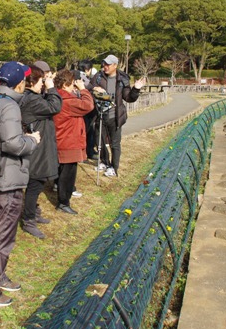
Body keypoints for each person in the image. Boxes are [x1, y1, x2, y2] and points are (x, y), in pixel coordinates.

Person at [0, 61, 41, 307]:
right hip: (6, 179)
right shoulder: (9, 106)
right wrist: (32, 140)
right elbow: (12, 143)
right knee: (0, 236)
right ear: (19, 83)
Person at [19, 65, 62, 238]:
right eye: (41, 81)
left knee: (37, 183)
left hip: (38, 147)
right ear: (32, 82)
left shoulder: (32, 97)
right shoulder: (32, 100)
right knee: (34, 184)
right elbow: (55, 106)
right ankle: (29, 220)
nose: (43, 84)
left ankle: (33, 213)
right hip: (36, 150)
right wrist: (51, 88)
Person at [91, 54, 145, 178]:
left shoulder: (122, 79)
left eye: (108, 64)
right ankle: (104, 161)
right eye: (104, 64)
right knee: (99, 141)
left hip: (115, 117)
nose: (105, 66)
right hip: (99, 114)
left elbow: (128, 97)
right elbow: (89, 88)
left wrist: (136, 89)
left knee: (115, 144)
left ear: (115, 65)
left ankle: (114, 168)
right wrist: (95, 89)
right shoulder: (98, 76)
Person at [53, 69, 94, 215]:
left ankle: (61, 195)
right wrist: (83, 90)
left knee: (62, 171)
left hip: (61, 140)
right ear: (65, 84)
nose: (73, 86)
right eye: (72, 84)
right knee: (68, 174)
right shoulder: (68, 101)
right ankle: (63, 202)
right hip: (69, 141)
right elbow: (88, 105)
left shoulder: (56, 96)